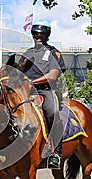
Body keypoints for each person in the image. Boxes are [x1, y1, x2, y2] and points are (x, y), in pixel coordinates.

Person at [19, 19, 66, 169]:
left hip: (46, 91)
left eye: (41, 34)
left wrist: (32, 82)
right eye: (35, 34)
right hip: (26, 92)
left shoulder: (53, 52)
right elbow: (18, 72)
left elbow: (53, 75)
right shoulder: (27, 53)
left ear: (47, 35)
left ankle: (55, 153)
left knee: (52, 112)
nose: (38, 36)